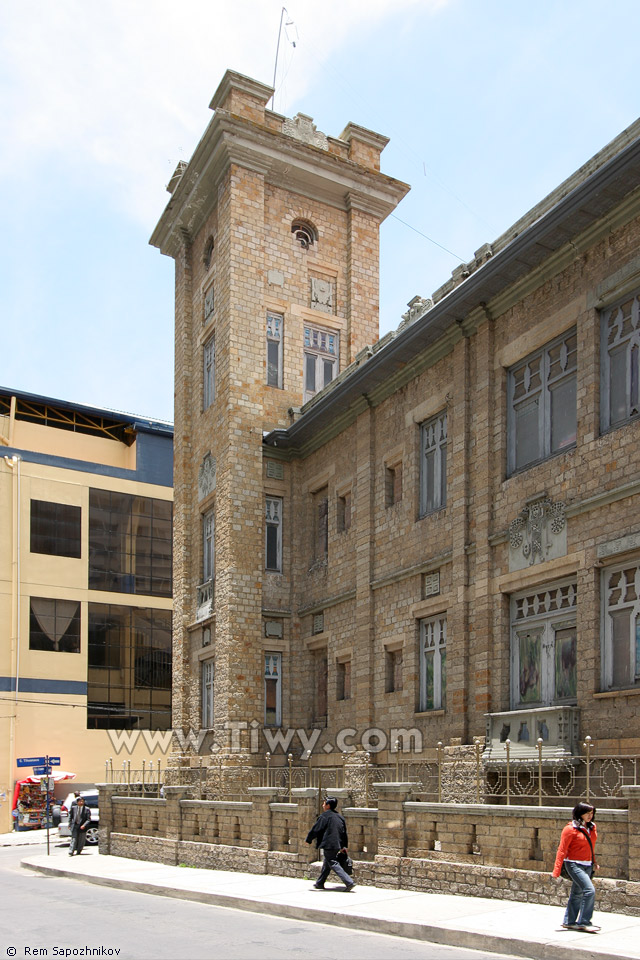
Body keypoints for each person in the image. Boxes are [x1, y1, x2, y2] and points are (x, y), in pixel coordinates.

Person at [551, 800, 599, 933]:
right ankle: (584, 922)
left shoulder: (592, 827)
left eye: (591, 813)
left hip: (587, 864)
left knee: (577, 893)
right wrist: (556, 870)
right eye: (587, 813)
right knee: (589, 890)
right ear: (579, 813)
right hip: (573, 864)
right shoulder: (570, 829)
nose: (590, 815)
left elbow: (591, 847)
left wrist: (594, 861)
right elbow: (562, 849)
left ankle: (569, 922)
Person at [305, 796, 355, 891]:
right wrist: (344, 846)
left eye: (324, 803)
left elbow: (316, 829)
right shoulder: (340, 817)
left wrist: (309, 839)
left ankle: (349, 882)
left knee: (332, 862)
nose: (322, 805)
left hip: (329, 844)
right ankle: (320, 883)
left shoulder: (324, 816)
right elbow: (344, 833)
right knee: (327, 863)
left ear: (328, 805)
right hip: (337, 844)